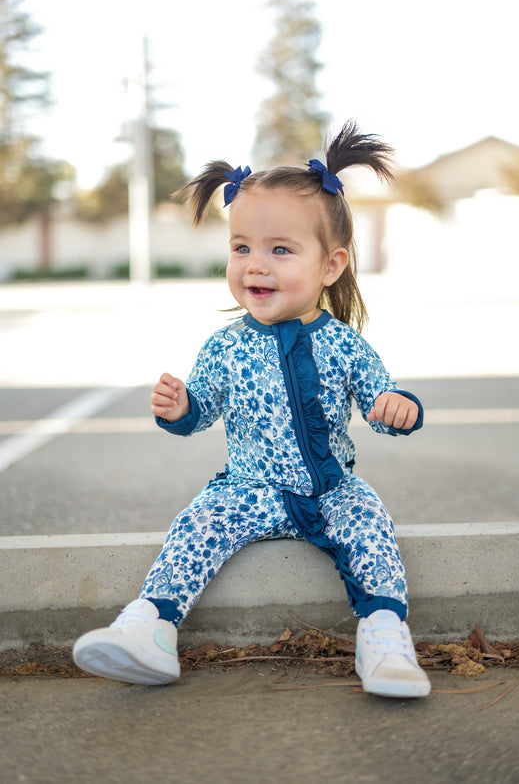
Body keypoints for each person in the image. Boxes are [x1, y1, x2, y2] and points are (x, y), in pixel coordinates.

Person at [73, 120, 430, 698]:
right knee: (197, 524)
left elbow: (380, 397)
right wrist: (180, 405)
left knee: (371, 525)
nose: (255, 265)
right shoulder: (225, 346)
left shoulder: (344, 344)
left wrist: (399, 407)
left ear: (331, 266)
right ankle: (149, 628)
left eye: (280, 250)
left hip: (331, 489)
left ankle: (384, 637)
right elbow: (201, 411)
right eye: (242, 248)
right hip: (247, 487)